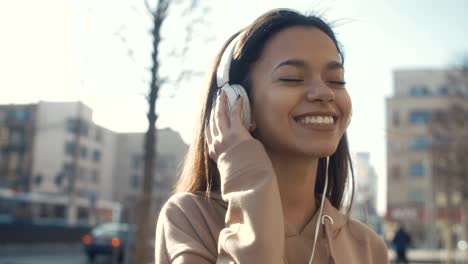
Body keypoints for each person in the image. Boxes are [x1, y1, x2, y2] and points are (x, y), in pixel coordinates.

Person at [155, 8, 389, 263]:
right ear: (238, 104)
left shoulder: (367, 247)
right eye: (292, 78)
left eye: (336, 80)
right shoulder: (191, 219)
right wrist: (248, 177)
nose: (324, 92)